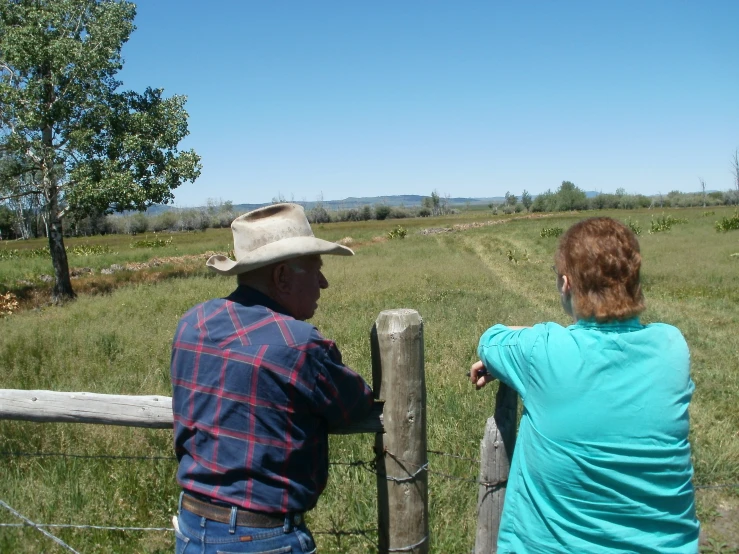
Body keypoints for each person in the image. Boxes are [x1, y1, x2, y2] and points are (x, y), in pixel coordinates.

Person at [470, 217, 699, 553]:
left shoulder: (542, 351)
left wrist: (533, 341)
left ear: (566, 284)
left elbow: (490, 340)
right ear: (633, 279)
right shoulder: (671, 346)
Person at [171, 203, 374, 554]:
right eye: (316, 269)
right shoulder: (298, 343)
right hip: (262, 538)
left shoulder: (193, 323)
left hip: (192, 528)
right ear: (282, 277)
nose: (323, 282)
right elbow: (355, 405)